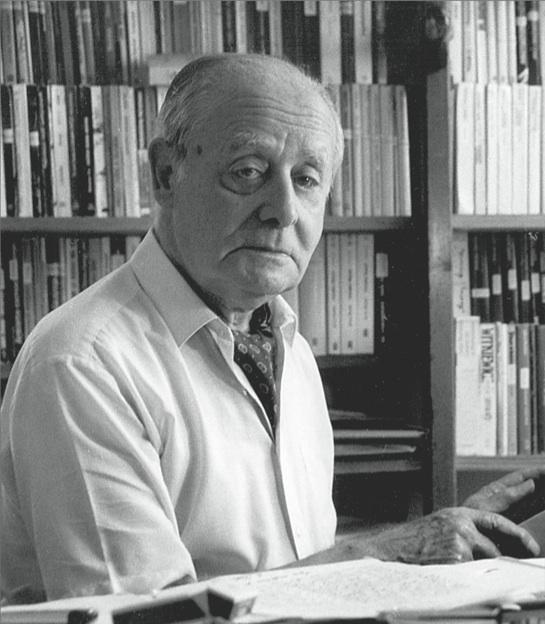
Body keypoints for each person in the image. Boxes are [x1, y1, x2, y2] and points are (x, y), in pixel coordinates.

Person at [1, 54, 544, 604]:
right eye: (248, 171)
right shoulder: (82, 363)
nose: (283, 210)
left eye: (306, 180)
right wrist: (381, 553)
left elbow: (292, 571)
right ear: (166, 174)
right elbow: (144, 618)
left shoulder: (286, 344)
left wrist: (439, 550)